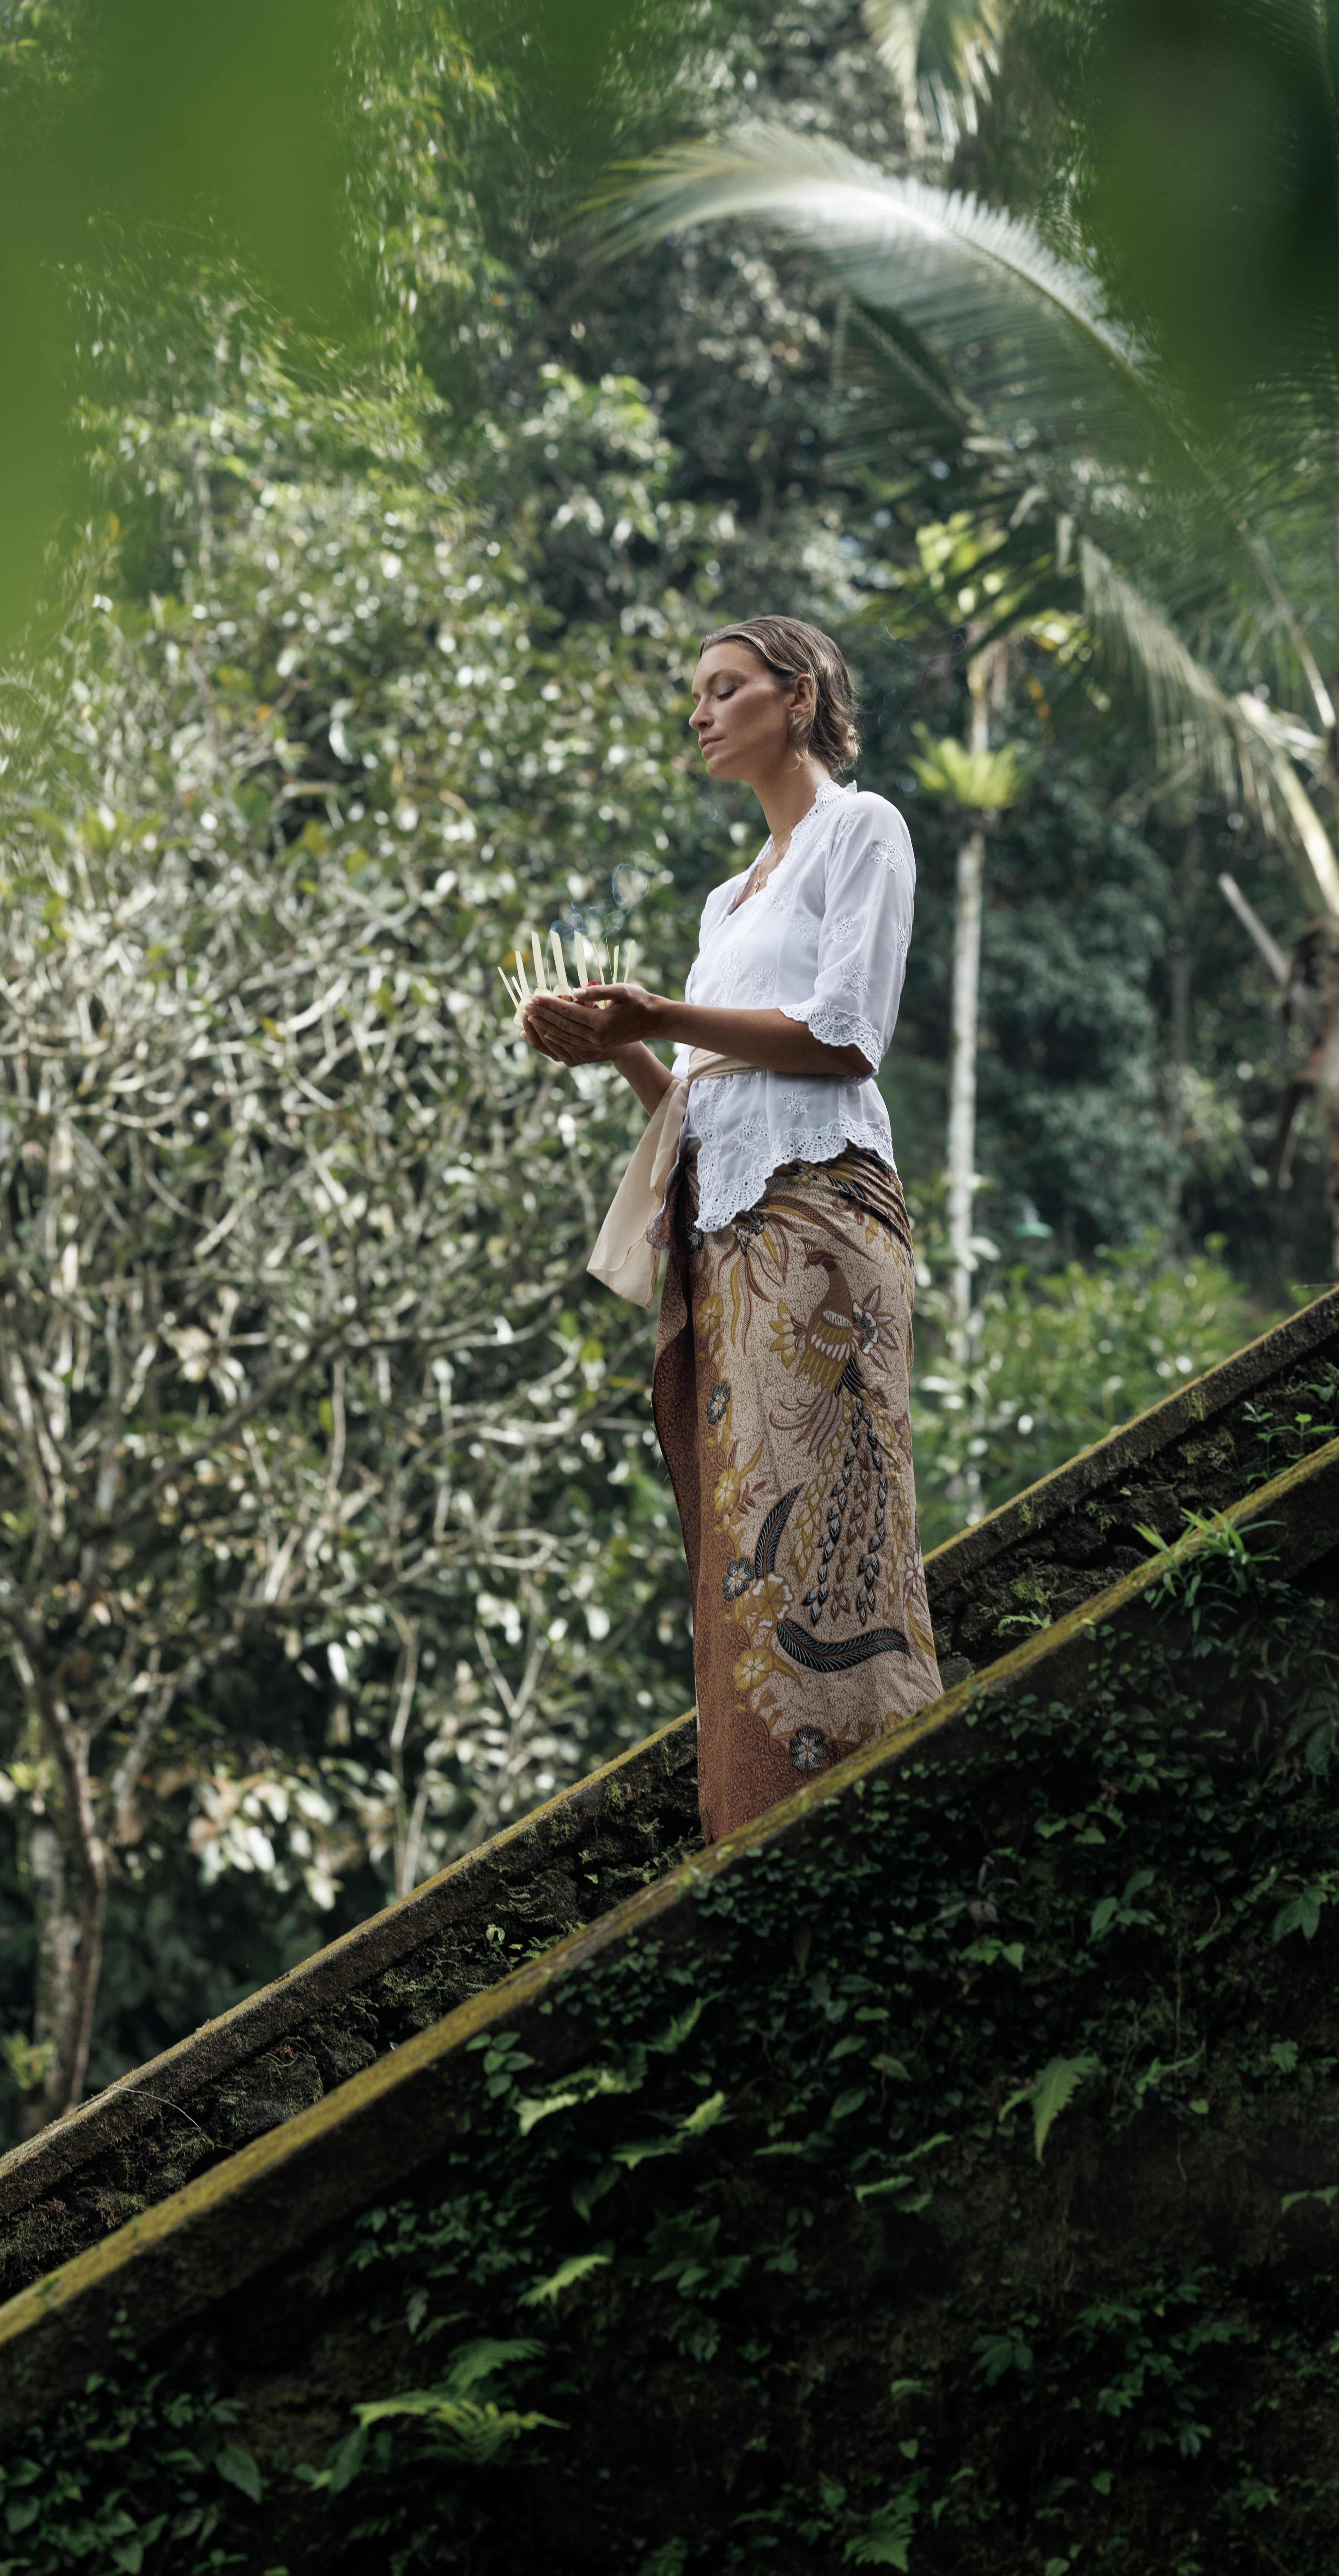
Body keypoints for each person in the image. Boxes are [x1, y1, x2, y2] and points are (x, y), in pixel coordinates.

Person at [522, 614, 943, 1842]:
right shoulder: (727, 899)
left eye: (724, 688)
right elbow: (703, 1110)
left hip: (821, 1223)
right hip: (731, 1232)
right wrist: (623, 1050)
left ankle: (867, 1784)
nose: (700, 714)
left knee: (827, 1510)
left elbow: (846, 1036)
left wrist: (662, 1010)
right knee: (747, 1540)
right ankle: (766, 1813)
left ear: (797, 695)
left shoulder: (861, 832)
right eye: (693, 698)